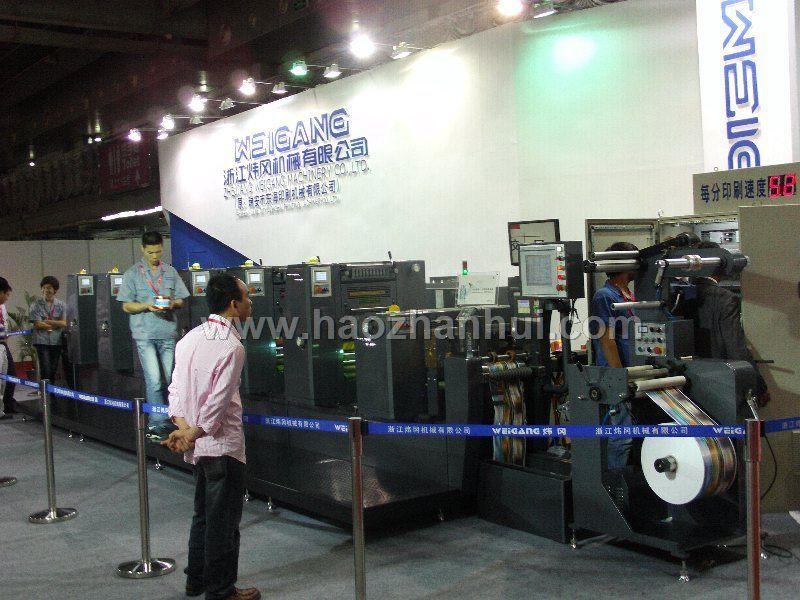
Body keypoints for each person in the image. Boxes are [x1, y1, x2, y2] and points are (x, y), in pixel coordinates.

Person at [163, 274, 260, 600]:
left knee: (203, 516)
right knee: (224, 523)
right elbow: (217, 405)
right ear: (234, 304)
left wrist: (184, 429)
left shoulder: (189, 339)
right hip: (222, 447)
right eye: (246, 297)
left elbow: (175, 391)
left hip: (199, 447)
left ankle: (196, 581)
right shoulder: (232, 347)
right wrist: (192, 433)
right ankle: (221, 590)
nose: (250, 303)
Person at [117, 231, 190, 440]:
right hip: (145, 334)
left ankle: (175, 418)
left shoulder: (170, 272)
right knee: (154, 379)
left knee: (171, 379)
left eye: (158, 251)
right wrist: (146, 306)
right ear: (142, 249)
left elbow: (181, 300)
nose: (154, 256)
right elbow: (126, 306)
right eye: (150, 252)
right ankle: (157, 422)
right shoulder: (132, 274)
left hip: (167, 332)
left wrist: (171, 303)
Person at [679, 241, 769, 406]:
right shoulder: (725, 298)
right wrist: (758, 386)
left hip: (685, 382)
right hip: (721, 381)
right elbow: (735, 347)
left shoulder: (679, 295)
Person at [589, 241, 639, 469]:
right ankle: (615, 481)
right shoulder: (604, 296)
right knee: (621, 437)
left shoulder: (628, 295)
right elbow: (606, 340)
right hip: (616, 375)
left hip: (634, 372)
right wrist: (620, 377)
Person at [29, 276, 67, 382]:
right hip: (41, 341)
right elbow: (37, 324)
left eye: (49, 287)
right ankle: (46, 391)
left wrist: (48, 322)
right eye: (44, 288)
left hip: (56, 341)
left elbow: (64, 323)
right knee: (46, 368)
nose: (46, 290)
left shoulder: (62, 305)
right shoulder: (35, 305)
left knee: (53, 369)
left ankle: (51, 390)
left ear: (55, 290)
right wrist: (56, 324)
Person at [0, 277, 16, 418]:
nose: (7, 298)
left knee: (7, 377)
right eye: (6, 294)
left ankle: (4, 407)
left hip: (2, 345)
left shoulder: (2, 307)